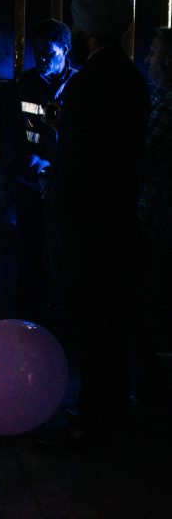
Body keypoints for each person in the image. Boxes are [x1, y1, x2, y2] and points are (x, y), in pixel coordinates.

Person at [44, 0, 150, 439]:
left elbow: (77, 160)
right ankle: (110, 411)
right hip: (120, 218)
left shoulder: (88, 83)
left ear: (84, 26)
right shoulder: (132, 80)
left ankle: (94, 418)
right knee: (112, 315)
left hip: (86, 223)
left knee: (90, 315)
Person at [0, 19, 76, 321]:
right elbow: (5, 139)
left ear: (65, 50)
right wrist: (27, 165)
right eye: (37, 52)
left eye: (49, 53)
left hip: (69, 192)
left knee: (66, 263)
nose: (41, 59)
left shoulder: (79, 88)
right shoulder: (20, 89)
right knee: (30, 260)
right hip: (29, 189)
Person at [136, 27, 172, 402]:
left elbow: (140, 160)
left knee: (143, 307)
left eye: (153, 53)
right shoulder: (159, 100)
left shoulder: (167, 106)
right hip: (155, 222)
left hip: (154, 224)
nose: (147, 59)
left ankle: (150, 392)